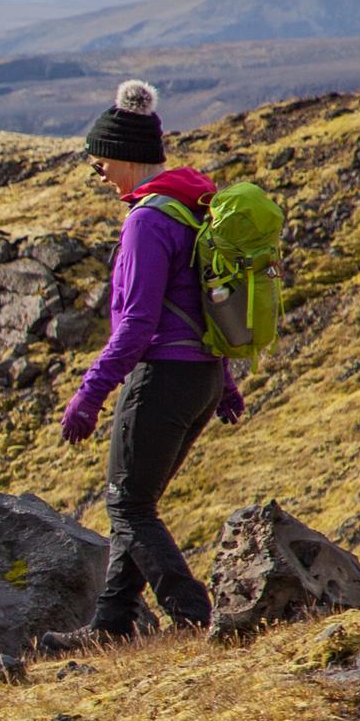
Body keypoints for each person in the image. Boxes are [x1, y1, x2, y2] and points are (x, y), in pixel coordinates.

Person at [59, 79, 244, 636]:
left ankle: (196, 616)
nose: (99, 173)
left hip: (163, 378)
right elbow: (202, 300)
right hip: (200, 378)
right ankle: (111, 624)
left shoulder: (147, 221)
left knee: (128, 505)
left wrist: (89, 394)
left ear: (122, 155)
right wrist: (224, 382)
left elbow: (137, 324)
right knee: (135, 502)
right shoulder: (189, 208)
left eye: (100, 163)